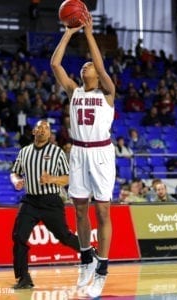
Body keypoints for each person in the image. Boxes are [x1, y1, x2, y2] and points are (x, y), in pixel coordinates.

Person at [50, 13, 116, 298]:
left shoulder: (107, 93)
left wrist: (88, 33)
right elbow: (55, 64)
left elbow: (100, 66)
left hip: (101, 153)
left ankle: (102, 268)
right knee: (79, 209)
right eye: (85, 64)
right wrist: (68, 32)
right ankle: (86, 259)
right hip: (78, 152)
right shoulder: (73, 92)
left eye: (89, 65)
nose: (86, 66)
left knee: (102, 211)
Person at [10, 120, 80, 289]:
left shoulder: (57, 152)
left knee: (64, 236)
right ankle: (23, 278)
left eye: (46, 128)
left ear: (50, 134)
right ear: (34, 131)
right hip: (31, 201)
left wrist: (52, 179)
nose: (42, 130)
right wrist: (16, 181)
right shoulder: (25, 151)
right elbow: (14, 172)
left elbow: (68, 177)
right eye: (39, 127)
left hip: (51, 201)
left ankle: (90, 253)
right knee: (18, 236)